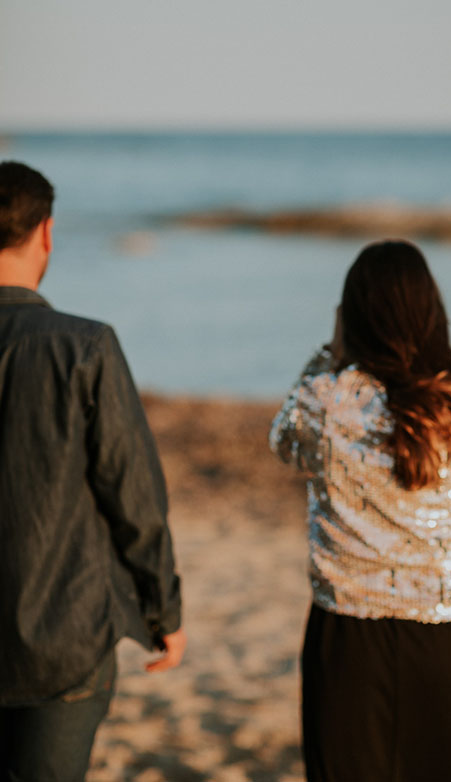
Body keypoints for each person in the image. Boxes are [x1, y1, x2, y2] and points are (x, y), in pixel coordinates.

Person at [270, 239, 451, 781]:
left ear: (352, 318)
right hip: (448, 637)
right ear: (432, 314)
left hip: (346, 637)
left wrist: (330, 353)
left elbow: (283, 439)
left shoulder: (323, 402)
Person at [0, 160, 186, 779]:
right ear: (46, 233)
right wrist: (164, 611)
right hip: (64, 637)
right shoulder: (84, 345)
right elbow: (132, 492)